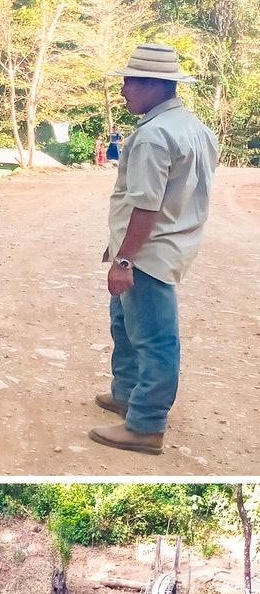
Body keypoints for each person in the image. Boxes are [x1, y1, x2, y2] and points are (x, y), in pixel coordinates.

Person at [89, 42, 218, 456]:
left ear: (153, 85)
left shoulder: (153, 136)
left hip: (148, 253)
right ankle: (127, 394)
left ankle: (146, 425)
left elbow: (147, 204)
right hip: (168, 245)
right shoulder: (196, 128)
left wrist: (125, 258)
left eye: (129, 81)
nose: (123, 89)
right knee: (125, 326)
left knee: (154, 337)